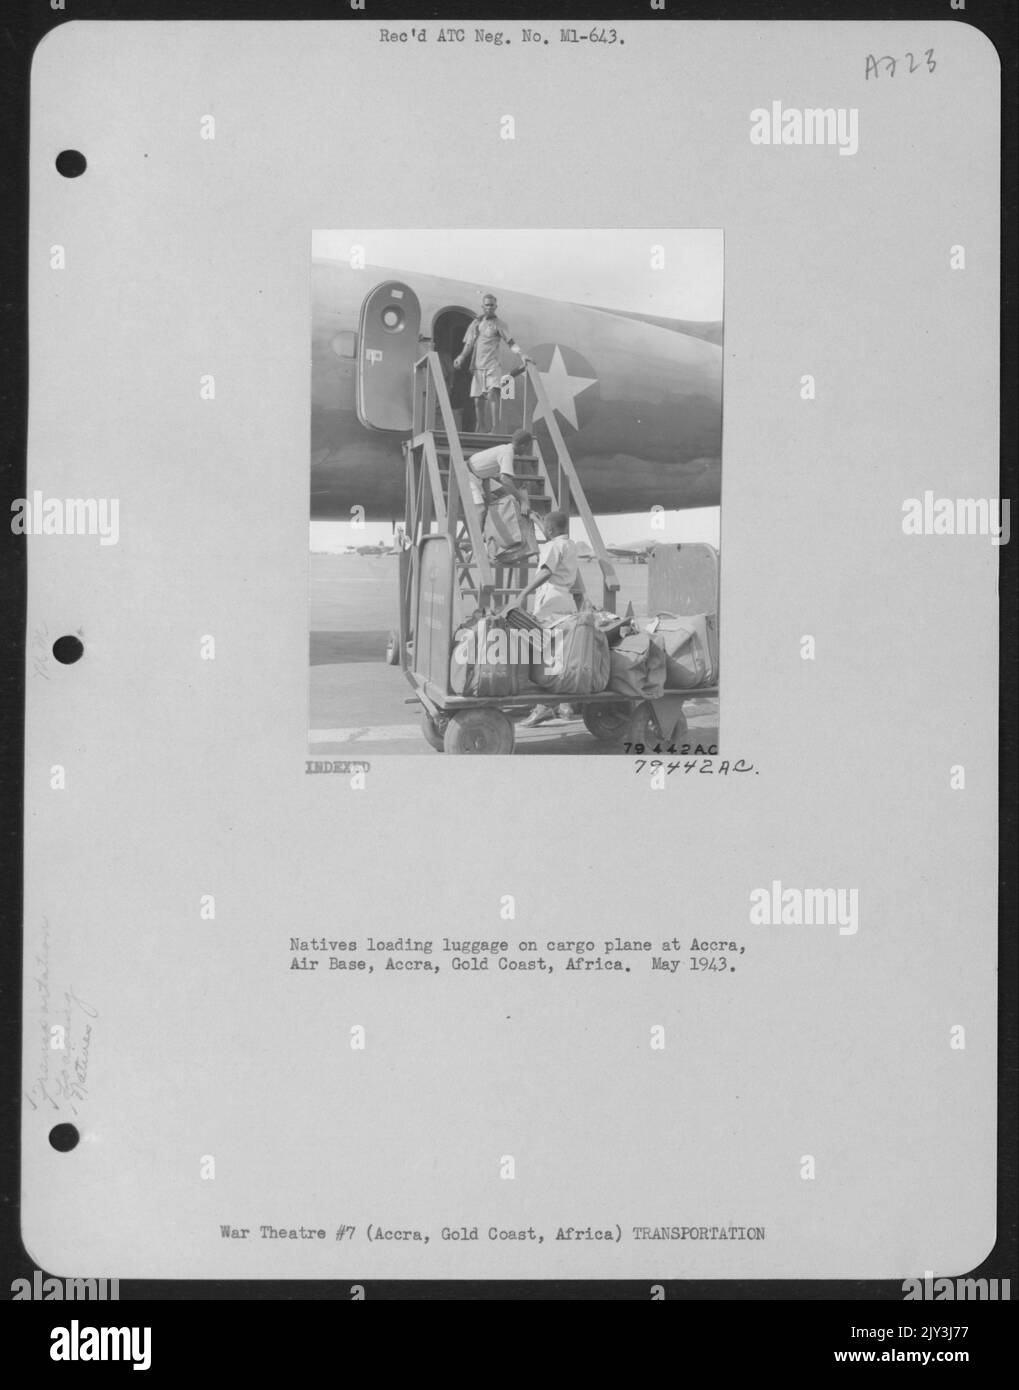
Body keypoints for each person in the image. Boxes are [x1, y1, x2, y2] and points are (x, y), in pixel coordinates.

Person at [504, 510, 582, 727]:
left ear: (549, 530)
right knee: (560, 653)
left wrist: (522, 593)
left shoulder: (553, 547)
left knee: (539, 650)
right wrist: (536, 518)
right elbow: (552, 533)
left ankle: (542, 706)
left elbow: (546, 572)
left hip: (550, 600)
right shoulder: (570, 544)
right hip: (566, 600)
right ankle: (564, 703)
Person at [455, 294, 532, 434]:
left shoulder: (499, 324)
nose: (489, 307)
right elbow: (469, 344)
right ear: (482, 306)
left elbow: (510, 342)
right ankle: (481, 426)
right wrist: (461, 356)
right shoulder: (475, 324)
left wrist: (522, 355)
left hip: (492, 365)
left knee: (492, 395)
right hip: (478, 367)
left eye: (492, 305)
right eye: (487, 305)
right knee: (478, 400)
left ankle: (495, 428)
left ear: (496, 307)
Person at [466, 429, 533, 517]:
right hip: (468, 475)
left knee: (504, 494)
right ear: (523, 446)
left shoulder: (506, 449)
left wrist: (489, 500)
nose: (527, 451)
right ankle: (476, 531)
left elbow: (486, 476)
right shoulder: (507, 452)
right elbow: (505, 480)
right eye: (528, 447)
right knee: (481, 510)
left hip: (479, 476)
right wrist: (522, 500)